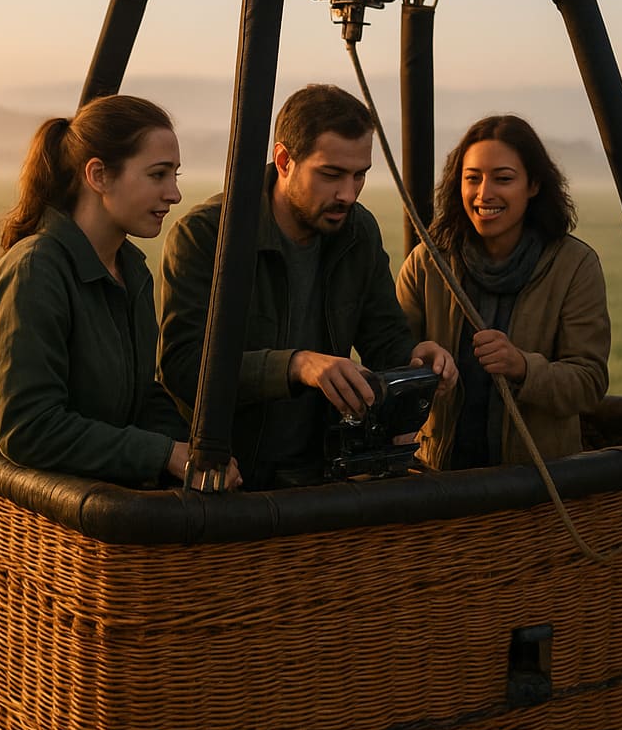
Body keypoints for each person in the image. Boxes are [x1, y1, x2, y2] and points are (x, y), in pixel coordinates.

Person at [158, 83, 456, 490]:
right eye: (331, 174)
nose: (348, 194)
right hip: (225, 477)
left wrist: (416, 357)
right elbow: (182, 368)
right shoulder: (207, 235)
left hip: (318, 476)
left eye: (359, 176)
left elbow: (384, 337)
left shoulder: (358, 232)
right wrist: (296, 365)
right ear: (284, 161)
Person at [0, 94, 240, 492]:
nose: (174, 194)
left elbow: (140, 396)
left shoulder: (130, 269)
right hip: (34, 514)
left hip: (100, 502)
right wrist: (164, 455)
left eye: (175, 175)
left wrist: (196, 451)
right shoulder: (35, 271)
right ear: (99, 176)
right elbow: (29, 429)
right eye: (158, 175)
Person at [396, 114, 610, 470]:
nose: (484, 194)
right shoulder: (428, 262)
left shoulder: (574, 265)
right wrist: (419, 361)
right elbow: (391, 353)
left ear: (534, 185)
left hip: (536, 484)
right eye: (472, 179)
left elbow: (588, 382)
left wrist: (523, 367)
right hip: (439, 479)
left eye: (503, 179)